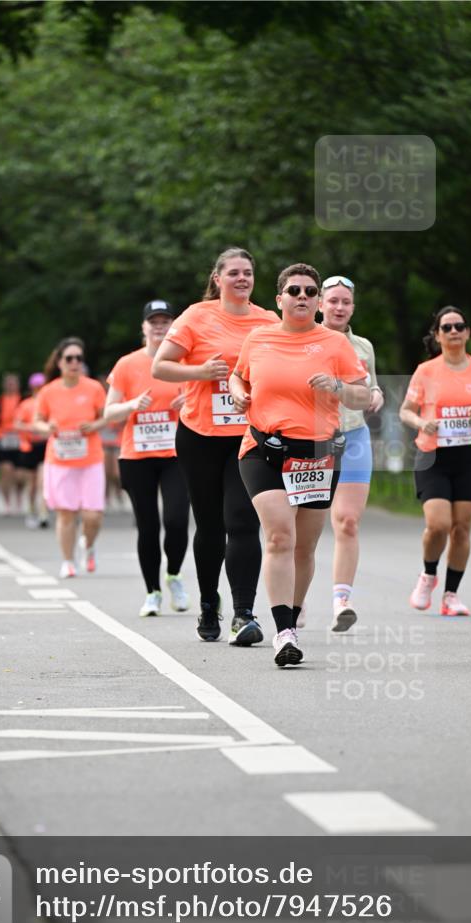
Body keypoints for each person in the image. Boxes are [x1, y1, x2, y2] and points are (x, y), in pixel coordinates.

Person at [229, 263, 369, 667]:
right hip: (262, 449)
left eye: (310, 291)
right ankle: (284, 633)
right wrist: (239, 393)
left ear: (318, 301)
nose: (302, 297)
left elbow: (363, 399)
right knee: (279, 537)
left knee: (305, 547)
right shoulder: (258, 338)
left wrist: (339, 387)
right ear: (280, 299)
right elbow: (239, 377)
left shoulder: (334, 344)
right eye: (294, 291)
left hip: (317, 455)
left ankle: (292, 612)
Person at [152, 248, 280, 645]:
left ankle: (244, 613)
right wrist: (201, 372)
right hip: (200, 435)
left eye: (248, 273)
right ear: (218, 278)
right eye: (234, 273)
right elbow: (161, 366)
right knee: (209, 526)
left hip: (250, 436)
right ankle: (210, 602)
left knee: (243, 521)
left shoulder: (269, 321)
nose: (242, 279)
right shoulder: (197, 315)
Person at [399, 306, 471, 615]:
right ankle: (428, 574)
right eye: (447, 327)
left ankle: (450, 595)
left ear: (468, 332)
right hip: (433, 456)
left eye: (460, 325)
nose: (454, 331)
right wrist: (421, 423)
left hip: (468, 456)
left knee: (461, 528)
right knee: (438, 525)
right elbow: (406, 410)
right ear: (438, 335)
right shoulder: (426, 371)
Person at [105, 299, 190, 617]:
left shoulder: (182, 362)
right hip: (136, 456)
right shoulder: (127, 365)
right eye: (153, 321)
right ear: (143, 327)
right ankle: (152, 591)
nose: (159, 326)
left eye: (165, 321)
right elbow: (108, 411)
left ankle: (174, 575)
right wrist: (131, 406)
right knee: (148, 526)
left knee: (177, 521)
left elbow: (203, 403)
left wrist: (188, 404)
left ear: (173, 327)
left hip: (176, 455)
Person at [320, 275, 384, 632]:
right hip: (311, 440)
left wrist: (376, 395)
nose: (339, 307)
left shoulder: (363, 346)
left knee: (347, 521)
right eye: (333, 301)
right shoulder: (302, 340)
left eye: (345, 302)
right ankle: (293, 603)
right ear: (319, 305)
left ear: (352, 307)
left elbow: (371, 384)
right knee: (301, 531)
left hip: (354, 436)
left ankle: (341, 600)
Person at [34, 338, 107, 578]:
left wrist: (93, 425)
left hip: (90, 459)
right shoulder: (48, 391)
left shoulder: (94, 388)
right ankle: (68, 561)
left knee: (92, 515)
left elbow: (107, 417)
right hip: (60, 460)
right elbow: (37, 421)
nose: (74, 362)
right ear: (59, 362)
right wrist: (47, 428)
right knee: (66, 513)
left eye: (78, 358)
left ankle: (89, 544)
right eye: (69, 358)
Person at [0, 373, 25, 515]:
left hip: (20, 439)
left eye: (13, 383)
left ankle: (19, 497)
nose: (11, 385)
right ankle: (7, 503)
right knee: (6, 471)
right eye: (8, 383)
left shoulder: (23, 400)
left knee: (20, 475)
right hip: (2, 439)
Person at [14, 373, 50, 529]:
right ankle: (31, 510)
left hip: (44, 445)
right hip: (30, 446)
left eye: (41, 386)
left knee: (44, 481)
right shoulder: (26, 404)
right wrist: (32, 428)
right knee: (32, 484)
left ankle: (43, 513)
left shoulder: (49, 403)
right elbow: (17, 424)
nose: (39, 389)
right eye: (37, 386)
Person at [97, 375, 127, 511]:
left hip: (117, 440)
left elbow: (124, 418)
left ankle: (119, 492)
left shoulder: (119, 398)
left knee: (115, 472)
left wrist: (116, 422)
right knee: (105, 471)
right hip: (103, 440)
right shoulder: (99, 399)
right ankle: (106, 497)